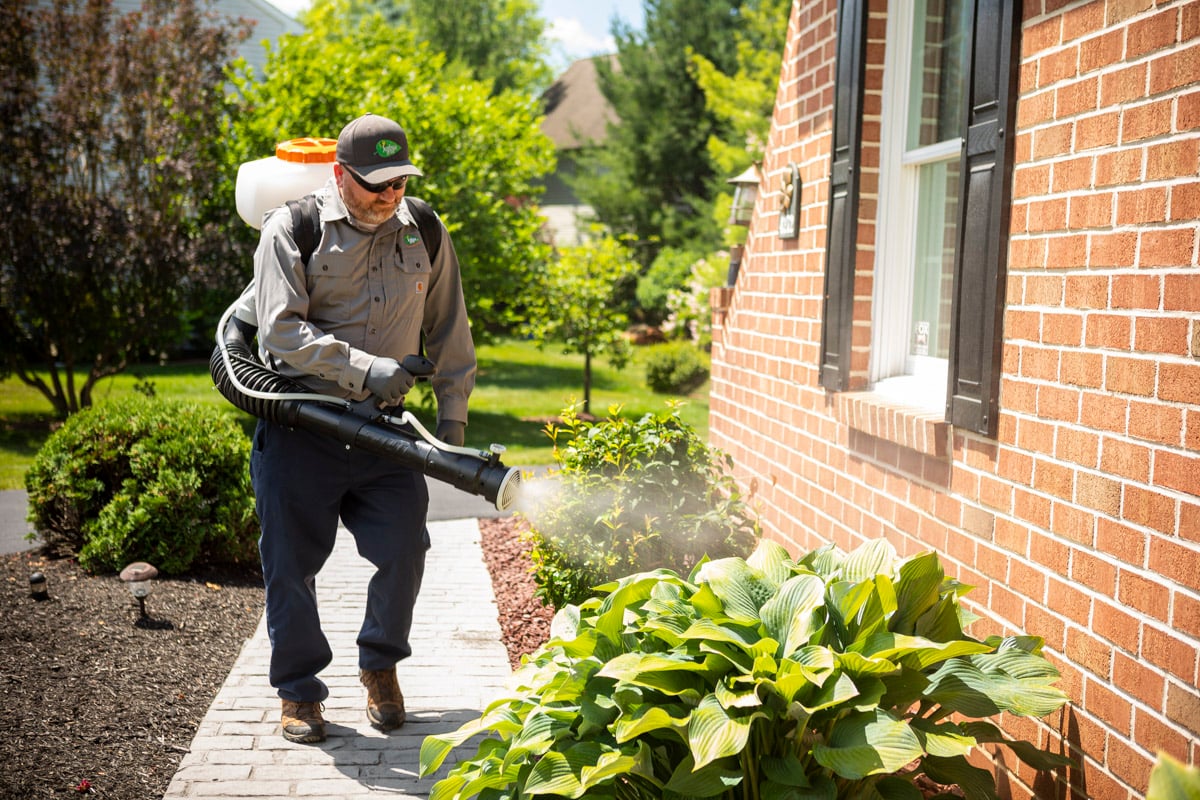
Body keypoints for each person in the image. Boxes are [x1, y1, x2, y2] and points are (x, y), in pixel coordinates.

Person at [249, 112, 476, 743]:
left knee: (405, 549)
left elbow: (450, 325)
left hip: (385, 432)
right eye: (376, 182)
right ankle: (298, 693)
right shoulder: (292, 229)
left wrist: (451, 418)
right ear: (339, 174)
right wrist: (366, 368)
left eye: (399, 180)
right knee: (290, 566)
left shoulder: (423, 228)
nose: (390, 194)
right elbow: (280, 331)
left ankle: (379, 665)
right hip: (302, 427)